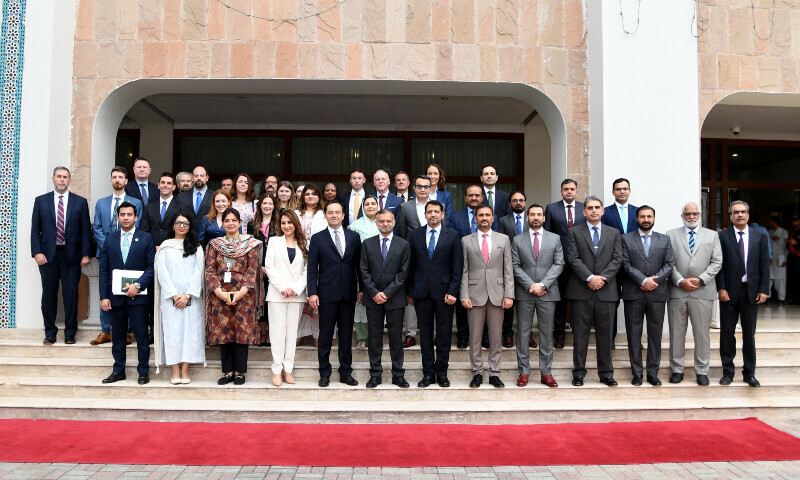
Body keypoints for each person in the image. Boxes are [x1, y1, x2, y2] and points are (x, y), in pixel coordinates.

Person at [564, 195, 621, 387]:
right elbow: (573, 258)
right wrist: (589, 278)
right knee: (580, 334)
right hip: (581, 291)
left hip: (606, 291)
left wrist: (601, 278)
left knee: (606, 335)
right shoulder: (574, 232)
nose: (594, 210)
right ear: (584, 212)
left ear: (603, 211)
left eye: (597, 207)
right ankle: (579, 373)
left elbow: (617, 259)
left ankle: (606, 373)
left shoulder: (614, 233)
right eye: (590, 208)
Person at [31, 166, 92, 345]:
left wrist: (86, 254)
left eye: (65, 177)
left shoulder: (80, 202)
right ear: (53, 179)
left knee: (71, 295)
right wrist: (37, 252)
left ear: (69, 180)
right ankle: (50, 332)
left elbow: (85, 230)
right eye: (59, 176)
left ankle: (70, 333)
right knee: (49, 295)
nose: (62, 180)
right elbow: (35, 230)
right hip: (47, 256)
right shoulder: (41, 201)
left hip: (71, 256)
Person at [99, 202, 156, 385]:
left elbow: (151, 267)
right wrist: (104, 296)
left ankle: (143, 371)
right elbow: (104, 270)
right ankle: (118, 370)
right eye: (122, 214)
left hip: (139, 297)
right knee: (118, 336)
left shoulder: (146, 238)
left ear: (135, 217)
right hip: (115, 298)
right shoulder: (110, 239)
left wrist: (137, 285)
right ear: (117, 217)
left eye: (129, 214)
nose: (125, 218)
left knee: (141, 335)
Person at [665, 202, 722, 386]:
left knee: (702, 334)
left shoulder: (712, 235)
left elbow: (717, 262)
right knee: (676, 333)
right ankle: (677, 369)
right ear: (682, 216)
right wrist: (680, 280)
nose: (691, 217)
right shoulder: (670, 235)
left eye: (695, 213)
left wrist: (700, 279)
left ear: (700, 215)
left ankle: (702, 371)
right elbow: (668, 261)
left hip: (702, 291)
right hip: (677, 291)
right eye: (687, 214)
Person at [205, 208, 264, 386]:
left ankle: (239, 372)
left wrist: (240, 293)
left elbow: (252, 269)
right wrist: (219, 293)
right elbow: (210, 269)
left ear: (240, 223)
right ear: (222, 224)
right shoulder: (215, 244)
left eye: (233, 220)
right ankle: (228, 371)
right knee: (224, 332)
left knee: (241, 332)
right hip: (220, 295)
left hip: (244, 296)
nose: (230, 223)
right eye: (227, 220)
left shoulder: (250, 244)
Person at [407, 200, 462, 388]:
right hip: (421, 293)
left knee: (444, 335)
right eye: (429, 211)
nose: (433, 215)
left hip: (445, 294)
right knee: (425, 335)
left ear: (442, 214)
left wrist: (453, 291)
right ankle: (428, 373)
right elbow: (410, 265)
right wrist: (410, 290)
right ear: (425, 214)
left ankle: (442, 373)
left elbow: (457, 267)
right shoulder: (414, 235)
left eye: (436, 212)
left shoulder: (453, 235)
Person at [307, 201, 362, 387]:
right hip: (326, 294)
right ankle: (324, 373)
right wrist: (312, 292)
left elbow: (359, 266)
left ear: (343, 215)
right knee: (325, 335)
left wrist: (362, 289)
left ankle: (346, 372)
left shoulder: (353, 237)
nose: (334, 215)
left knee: (346, 336)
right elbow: (312, 269)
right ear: (325, 215)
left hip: (348, 294)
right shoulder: (317, 238)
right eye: (330, 212)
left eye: (337, 212)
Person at [716, 200, 770, 388]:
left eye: (743, 212)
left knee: (749, 334)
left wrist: (764, 289)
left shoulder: (760, 236)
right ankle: (727, 372)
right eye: (736, 212)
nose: (740, 215)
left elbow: (764, 264)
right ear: (730, 216)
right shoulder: (722, 236)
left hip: (751, 291)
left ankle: (749, 373)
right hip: (729, 292)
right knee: (727, 333)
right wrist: (721, 287)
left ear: (748, 214)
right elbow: (719, 264)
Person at [460, 205, 514, 388]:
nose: (484, 218)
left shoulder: (503, 239)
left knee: (496, 337)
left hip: (498, 294)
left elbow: (508, 268)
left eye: (487, 215)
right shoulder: (466, 240)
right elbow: (464, 270)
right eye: (481, 215)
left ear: (493, 218)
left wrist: (509, 294)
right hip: (474, 295)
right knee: (474, 337)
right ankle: (476, 372)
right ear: (475, 219)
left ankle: (494, 373)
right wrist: (464, 295)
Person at [620, 206, 675, 386]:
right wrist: (643, 280)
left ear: (654, 218)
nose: (646, 219)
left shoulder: (664, 239)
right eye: (642, 216)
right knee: (633, 335)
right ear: (636, 219)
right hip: (634, 293)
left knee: (655, 335)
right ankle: (637, 373)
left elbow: (669, 264)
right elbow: (625, 264)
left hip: (657, 294)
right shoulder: (626, 239)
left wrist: (653, 281)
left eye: (649, 216)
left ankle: (652, 373)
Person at [511, 203, 563, 388]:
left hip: (547, 292)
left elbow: (559, 264)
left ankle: (546, 372)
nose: (535, 217)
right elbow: (515, 265)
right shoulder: (517, 240)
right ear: (527, 218)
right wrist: (531, 285)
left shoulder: (555, 239)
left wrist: (542, 284)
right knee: (523, 333)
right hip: (525, 293)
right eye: (532, 214)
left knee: (547, 334)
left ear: (544, 218)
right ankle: (524, 371)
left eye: (539, 214)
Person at [91, 167, 143, 346]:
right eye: (114, 177)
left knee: (126, 291)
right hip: (107, 252)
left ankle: (125, 331)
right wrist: (108, 246)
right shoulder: (101, 203)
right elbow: (97, 227)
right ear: (111, 180)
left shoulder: (136, 203)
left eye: (121, 177)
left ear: (126, 180)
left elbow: (138, 226)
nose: (117, 179)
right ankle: (105, 330)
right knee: (106, 290)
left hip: (129, 253)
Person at [360, 209, 411, 388]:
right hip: (373, 298)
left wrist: (387, 293)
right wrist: (374, 292)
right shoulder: (367, 244)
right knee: (374, 339)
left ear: (394, 222)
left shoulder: (403, 244)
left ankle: (398, 374)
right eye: (381, 221)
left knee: (396, 339)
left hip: (395, 299)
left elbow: (403, 273)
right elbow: (364, 270)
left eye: (388, 221)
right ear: (376, 223)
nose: (385, 224)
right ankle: (375, 374)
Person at [153, 212, 205, 384]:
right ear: (173, 225)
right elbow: (162, 273)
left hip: (191, 299)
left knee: (190, 333)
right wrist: (175, 295)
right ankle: (175, 370)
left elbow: (199, 272)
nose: (182, 226)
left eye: (185, 223)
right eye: (178, 223)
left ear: (190, 226)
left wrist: (188, 295)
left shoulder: (196, 247)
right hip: (171, 299)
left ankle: (185, 369)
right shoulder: (165, 247)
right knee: (172, 333)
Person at [264, 210, 308, 387]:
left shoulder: (304, 243)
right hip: (277, 294)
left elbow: (308, 269)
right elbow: (269, 267)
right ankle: (276, 369)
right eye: (283, 223)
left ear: (295, 224)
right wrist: (283, 287)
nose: (286, 226)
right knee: (277, 333)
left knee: (291, 334)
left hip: (296, 295)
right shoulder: (274, 241)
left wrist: (296, 289)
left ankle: (288, 368)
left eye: (290, 222)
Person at [544, 179, 586, 349]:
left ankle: (579, 334)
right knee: (559, 298)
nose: (569, 191)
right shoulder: (552, 208)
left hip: (580, 261)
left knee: (579, 298)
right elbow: (547, 234)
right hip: (559, 261)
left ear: (576, 191)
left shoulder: (584, 208)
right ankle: (559, 334)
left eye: (572, 189)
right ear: (561, 191)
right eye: (566, 189)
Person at [395, 174, 433, 348]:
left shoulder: (437, 206)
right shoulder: (405, 207)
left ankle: (431, 333)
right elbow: (402, 233)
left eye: (426, 186)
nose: (423, 189)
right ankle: (410, 333)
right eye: (420, 186)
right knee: (411, 294)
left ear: (430, 188)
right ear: (414, 188)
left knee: (434, 294)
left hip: (434, 257)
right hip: (413, 257)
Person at [601, 178, 638, 348]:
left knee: (634, 305)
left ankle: (635, 341)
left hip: (633, 265)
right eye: (618, 189)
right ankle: (610, 339)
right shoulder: (605, 213)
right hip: (612, 264)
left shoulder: (638, 212)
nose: (622, 191)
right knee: (611, 304)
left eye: (625, 188)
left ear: (629, 191)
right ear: (613, 192)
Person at [447, 184, 485, 349]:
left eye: (477, 195)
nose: (474, 198)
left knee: (484, 302)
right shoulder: (455, 217)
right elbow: (453, 239)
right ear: (465, 198)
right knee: (463, 300)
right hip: (462, 264)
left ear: (482, 197)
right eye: (470, 195)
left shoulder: (491, 216)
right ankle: (463, 335)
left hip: (484, 266)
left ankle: (484, 335)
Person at [348, 194, 381, 350]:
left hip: (381, 269)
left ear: (378, 205)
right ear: (362, 207)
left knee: (378, 303)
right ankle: (362, 338)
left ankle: (375, 337)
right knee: (360, 304)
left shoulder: (384, 221)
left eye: (373, 203)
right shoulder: (355, 226)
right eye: (367, 204)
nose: (370, 206)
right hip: (361, 269)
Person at [497, 191, 529, 349]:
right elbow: (502, 242)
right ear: (510, 203)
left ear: (525, 203)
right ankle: (508, 334)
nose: (518, 203)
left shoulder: (532, 218)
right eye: (515, 200)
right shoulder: (503, 220)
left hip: (529, 266)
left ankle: (528, 335)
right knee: (508, 302)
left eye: (521, 200)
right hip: (508, 265)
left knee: (527, 303)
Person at [247, 192, 278, 346]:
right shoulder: (252, 224)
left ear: (274, 206)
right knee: (260, 300)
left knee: (272, 301)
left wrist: (271, 268)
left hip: (276, 267)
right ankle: (261, 333)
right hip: (257, 266)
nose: (267, 206)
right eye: (264, 203)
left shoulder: (279, 224)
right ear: (259, 206)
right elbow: (249, 248)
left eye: (270, 203)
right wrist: (259, 266)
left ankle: (271, 334)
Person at [140, 172, 181, 247]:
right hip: (152, 248)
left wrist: (165, 246)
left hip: (173, 248)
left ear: (174, 187)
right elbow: (144, 230)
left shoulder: (180, 207)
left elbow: (181, 230)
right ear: (158, 185)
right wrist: (152, 246)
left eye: (169, 183)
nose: (165, 185)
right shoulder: (149, 207)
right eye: (163, 182)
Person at [767, 217, 788, 303]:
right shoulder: (770, 232)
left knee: (781, 278)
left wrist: (785, 259)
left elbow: (786, 247)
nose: (769, 224)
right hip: (771, 258)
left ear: (775, 223)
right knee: (768, 277)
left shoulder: (784, 232)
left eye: (771, 222)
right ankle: (767, 297)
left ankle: (781, 298)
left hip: (781, 258)